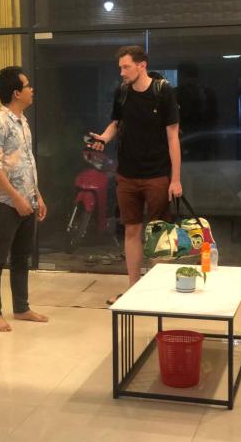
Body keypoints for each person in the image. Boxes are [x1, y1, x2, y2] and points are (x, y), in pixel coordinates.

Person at [90, 46, 182, 304]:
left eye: (126, 67)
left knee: (159, 233)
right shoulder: (122, 92)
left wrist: (175, 179)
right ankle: (133, 287)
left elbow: (173, 135)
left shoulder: (163, 91)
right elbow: (116, 123)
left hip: (157, 173)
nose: (122, 72)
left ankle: (159, 290)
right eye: (120, 67)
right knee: (131, 229)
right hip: (127, 173)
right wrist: (103, 138)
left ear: (142, 65)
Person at [0, 66, 48, 332]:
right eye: (28, 85)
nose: (32, 89)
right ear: (16, 93)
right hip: (3, 203)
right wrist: (16, 198)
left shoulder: (23, 122)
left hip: (27, 201)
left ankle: (21, 308)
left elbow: (27, 163)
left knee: (22, 258)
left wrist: (37, 197)